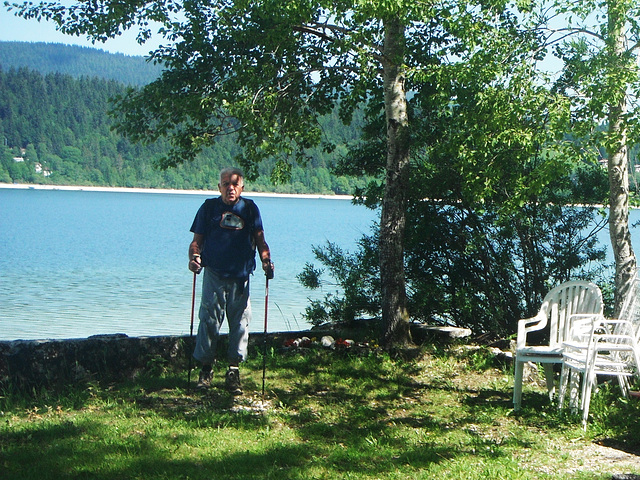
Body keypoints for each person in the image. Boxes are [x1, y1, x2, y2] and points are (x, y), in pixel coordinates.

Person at [188, 167, 273, 395]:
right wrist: (194, 258)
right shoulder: (208, 208)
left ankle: (233, 371)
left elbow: (261, 241)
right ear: (219, 187)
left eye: (234, 184)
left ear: (242, 188)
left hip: (241, 276)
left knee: (240, 323)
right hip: (214, 273)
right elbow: (196, 242)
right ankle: (206, 370)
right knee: (208, 320)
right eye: (225, 183)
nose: (230, 188)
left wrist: (266, 261)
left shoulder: (250, 209)